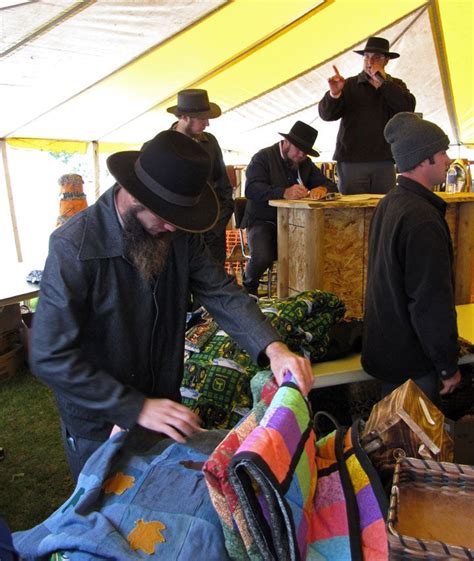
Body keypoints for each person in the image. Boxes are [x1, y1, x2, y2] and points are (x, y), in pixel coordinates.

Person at [30, 131, 313, 480]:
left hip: (162, 399)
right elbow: (49, 355)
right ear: (134, 195)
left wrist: (274, 348)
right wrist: (134, 407)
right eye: (164, 217)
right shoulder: (72, 246)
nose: (171, 228)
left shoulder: (175, 231)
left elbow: (221, 292)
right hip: (98, 418)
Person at [362, 112, 461, 402]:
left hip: (388, 354)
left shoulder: (390, 204)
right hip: (413, 365)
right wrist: (447, 365)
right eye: (441, 152)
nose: (447, 160)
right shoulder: (422, 219)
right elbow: (429, 302)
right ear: (422, 159)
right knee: (412, 446)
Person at [242, 120, 337, 296]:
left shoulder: (305, 162)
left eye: (305, 152)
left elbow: (331, 185)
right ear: (286, 142)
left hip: (294, 224)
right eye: (298, 149)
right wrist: (283, 192)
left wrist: (321, 189)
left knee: (316, 251)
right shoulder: (262, 157)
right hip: (263, 221)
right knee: (263, 256)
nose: (301, 155)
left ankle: (300, 294)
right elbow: (252, 189)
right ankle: (248, 286)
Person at [318, 36, 416, 195]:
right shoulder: (349, 84)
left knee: (384, 209)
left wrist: (383, 84)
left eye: (376, 58)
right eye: (366, 57)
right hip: (352, 161)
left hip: (384, 160)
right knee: (351, 213)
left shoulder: (396, 86)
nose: (370, 61)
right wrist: (334, 94)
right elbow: (326, 115)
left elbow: (407, 109)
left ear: (386, 61)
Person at [166, 88, 234, 266]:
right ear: (185, 117)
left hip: (211, 235)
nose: (208, 124)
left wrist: (216, 228)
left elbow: (224, 188)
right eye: (203, 118)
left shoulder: (210, 142)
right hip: (175, 236)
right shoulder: (159, 146)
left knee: (214, 284)